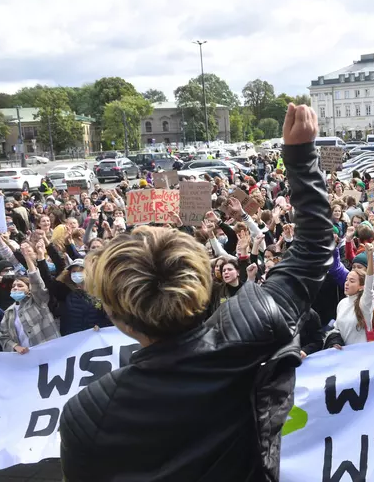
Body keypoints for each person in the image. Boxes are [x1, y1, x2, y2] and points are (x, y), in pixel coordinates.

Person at [59, 103, 334, 481]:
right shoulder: (256, 327)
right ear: (203, 284)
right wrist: (301, 157)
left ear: (115, 314)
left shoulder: (89, 413)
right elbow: (315, 246)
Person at [0, 243, 60, 353]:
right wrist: (15, 347)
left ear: (29, 291)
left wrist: (27, 258)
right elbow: (4, 337)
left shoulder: (38, 301)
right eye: (13, 286)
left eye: (20, 285)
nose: (16, 288)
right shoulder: (8, 313)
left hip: (50, 353)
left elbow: (36, 282)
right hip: (26, 360)